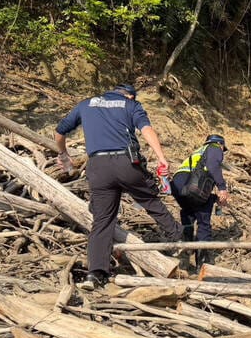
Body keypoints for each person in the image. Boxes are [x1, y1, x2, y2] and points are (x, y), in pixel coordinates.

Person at [55, 84, 183, 290]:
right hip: (126, 163)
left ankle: (96, 274)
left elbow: (60, 132)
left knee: (102, 220)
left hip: (98, 167)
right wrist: (161, 158)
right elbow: (146, 130)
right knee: (149, 199)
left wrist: (63, 155)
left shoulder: (86, 104)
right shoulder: (131, 105)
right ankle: (177, 238)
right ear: (130, 95)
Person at [171, 134, 231, 269]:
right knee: (204, 219)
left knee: (188, 212)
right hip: (192, 186)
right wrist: (222, 188)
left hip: (177, 185)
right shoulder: (214, 148)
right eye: (223, 148)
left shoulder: (198, 152)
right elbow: (212, 166)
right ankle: (202, 261)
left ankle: (186, 250)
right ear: (220, 144)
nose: (222, 151)